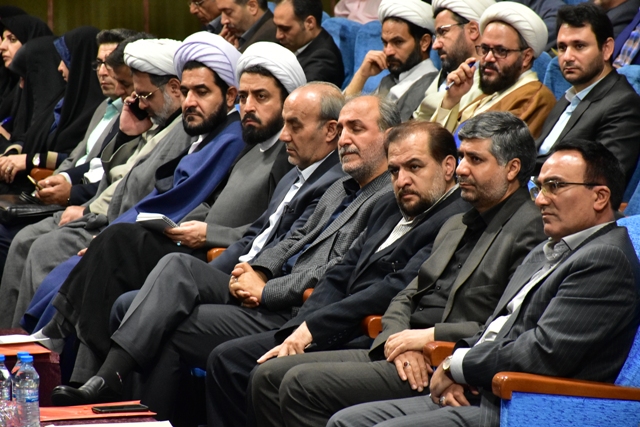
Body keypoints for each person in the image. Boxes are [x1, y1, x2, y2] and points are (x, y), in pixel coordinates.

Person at [50, 94, 397, 410]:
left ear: (389, 137)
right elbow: (292, 239)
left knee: (164, 323)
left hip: (294, 308)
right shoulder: (341, 187)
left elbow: (339, 269)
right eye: (344, 129)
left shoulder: (387, 199)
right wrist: (258, 270)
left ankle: (118, 391)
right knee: (168, 271)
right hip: (266, 286)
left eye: (357, 129)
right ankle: (114, 388)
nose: (345, 139)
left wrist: (267, 288)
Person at [247, 111, 546, 427]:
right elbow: (406, 294)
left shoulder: (530, 229)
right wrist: (399, 340)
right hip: (403, 348)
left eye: (475, 159)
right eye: (462, 157)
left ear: (512, 168)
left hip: (446, 357)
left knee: (299, 384)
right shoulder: (458, 222)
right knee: (269, 376)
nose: (462, 169)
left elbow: (505, 326)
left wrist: (425, 339)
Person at [32, 39, 303, 383]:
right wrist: (192, 223)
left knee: (118, 243)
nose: (248, 107)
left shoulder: (281, 155)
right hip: (194, 243)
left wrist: (210, 234)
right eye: (246, 97)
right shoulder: (253, 145)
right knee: (110, 249)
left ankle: (79, 363)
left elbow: (270, 231)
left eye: (260, 97)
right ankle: (78, 366)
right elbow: (214, 202)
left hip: (217, 257)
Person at [327, 138, 639, 427]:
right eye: (539, 187)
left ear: (600, 197)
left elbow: (543, 351)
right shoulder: (550, 249)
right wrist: (459, 368)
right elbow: (495, 327)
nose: (541, 200)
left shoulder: (604, 258)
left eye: (555, 186)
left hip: (526, 404)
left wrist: (457, 366)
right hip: (483, 387)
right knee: (347, 421)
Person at [205, 119, 471, 427]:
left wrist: (313, 329)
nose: (402, 180)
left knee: (267, 375)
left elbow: (393, 287)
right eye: (395, 170)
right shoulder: (388, 204)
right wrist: (301, 328)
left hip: (369, 332)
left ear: (448, 167)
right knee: (228, 359)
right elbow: (341, 271)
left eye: (414, 167)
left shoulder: (454, 218)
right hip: (333, 323)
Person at [0, 34, 245, 328]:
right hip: (113, 217)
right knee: (41, 249)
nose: (189, 102)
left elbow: (172, 197)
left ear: (230, 95)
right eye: (187, 91)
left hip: (138, 229)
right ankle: (25, 341)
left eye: (201, 92)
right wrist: (125, 136)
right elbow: (102, 168)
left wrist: (106, 229)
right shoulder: (191, 129)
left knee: (55, 254)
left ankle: (40, 345)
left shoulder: (220, 135)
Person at [536, 3, 640, 184]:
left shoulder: (623, 104)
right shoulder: (569, 96)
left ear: (607, 49)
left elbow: (602, 178)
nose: (567, 57)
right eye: (562, 47)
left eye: (579, 46)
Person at [0, 26, 105, 195]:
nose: (60, 67)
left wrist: (30, 160)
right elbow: (30, 137)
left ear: (80, 63)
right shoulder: (63, 99)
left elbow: (77, 158)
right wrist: (13, 153)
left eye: (66, 60)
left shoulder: (97, 108)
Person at [433, 2, 555, 138]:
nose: (488, 58)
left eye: (501, 50)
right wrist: (451, 100)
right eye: (485, 49)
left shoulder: (535, 98)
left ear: (526, 57)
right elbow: (437, 142)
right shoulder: (489, 95)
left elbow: (489, 149)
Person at [344, 0, 438, 121]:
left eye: (398, 42)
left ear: (424, 42)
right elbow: (344, 118)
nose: (388, 51)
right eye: (385, 43)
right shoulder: (388, 81)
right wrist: (362, 75)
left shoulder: (433, 87)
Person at [413, 0, 493, 121]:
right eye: (436, 36)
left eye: (443, 32)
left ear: (473, 30)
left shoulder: (491, 83)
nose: (435, 45)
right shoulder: (439, 79)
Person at [0, 14, 52, 141]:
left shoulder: (46, 92)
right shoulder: (15, 86)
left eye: (12, 39)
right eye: (3, 39)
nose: (2, 47)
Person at [273, 0, 344, 87]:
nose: (278, 35)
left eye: (285, 29)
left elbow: (297, 94)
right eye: (276, 27)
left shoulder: (324, 60)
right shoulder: (294, 43)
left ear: (309, 23)